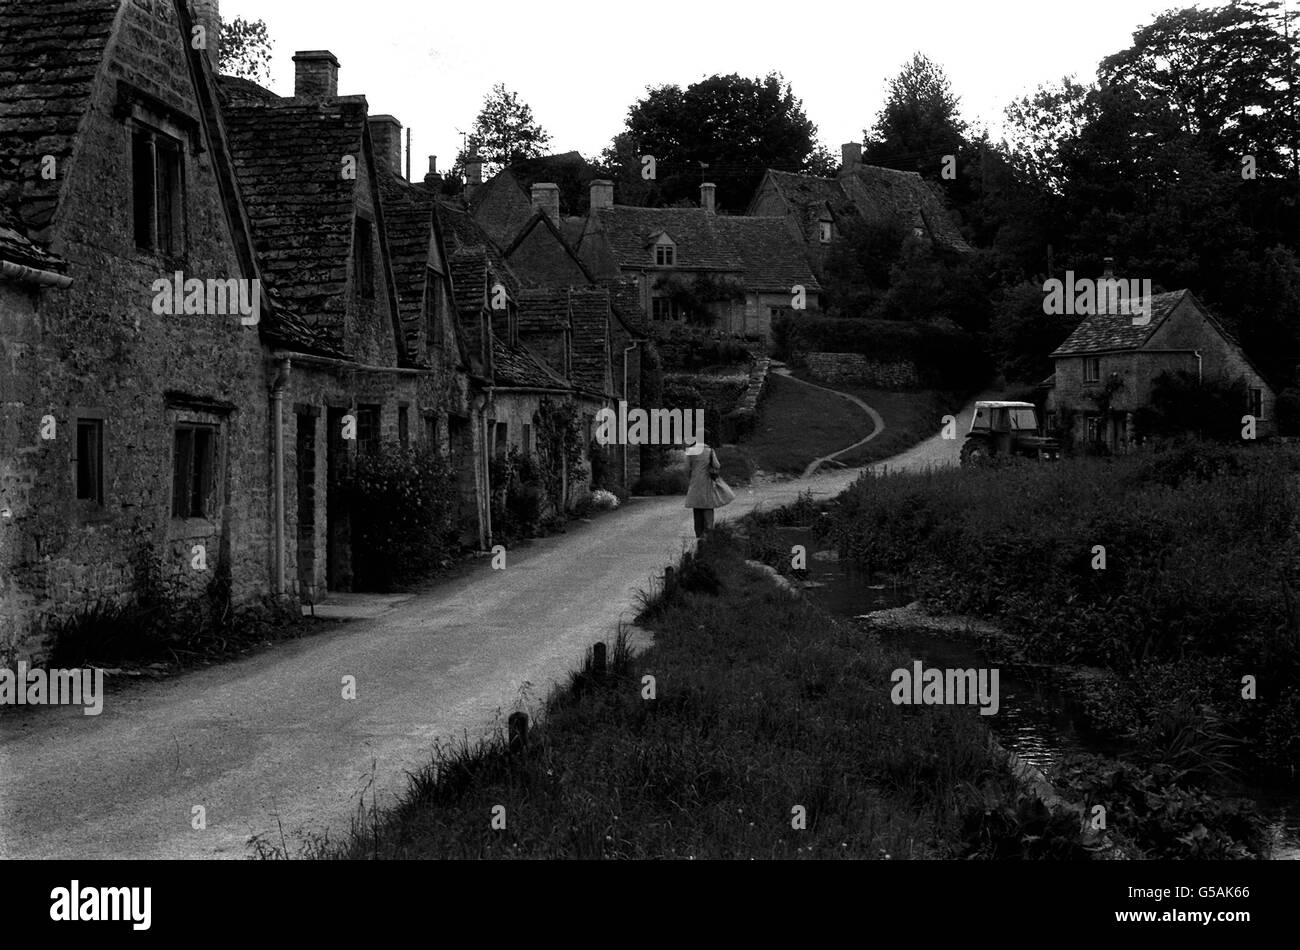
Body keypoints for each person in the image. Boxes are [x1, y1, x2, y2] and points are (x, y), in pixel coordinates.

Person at [683, 430, 734, 538]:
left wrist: (690, 477)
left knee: (697, 507)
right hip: (707, 482)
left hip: (695, 482)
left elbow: (686, 468)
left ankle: (699, 534)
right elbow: (717, 465)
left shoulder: (691, 451)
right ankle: (709, 532)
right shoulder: (710, 451)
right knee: (708, 506)